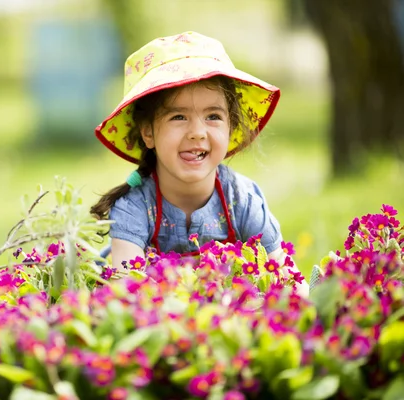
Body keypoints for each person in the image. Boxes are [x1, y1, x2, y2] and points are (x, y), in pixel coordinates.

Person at [90, 31, 309, 296]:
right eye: (179, 116)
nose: (197, 132)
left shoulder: (242, 200)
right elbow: (126, 293)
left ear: (231, 127)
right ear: (148, 131)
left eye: (213, 116)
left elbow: (291, 282)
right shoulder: (134, 208)